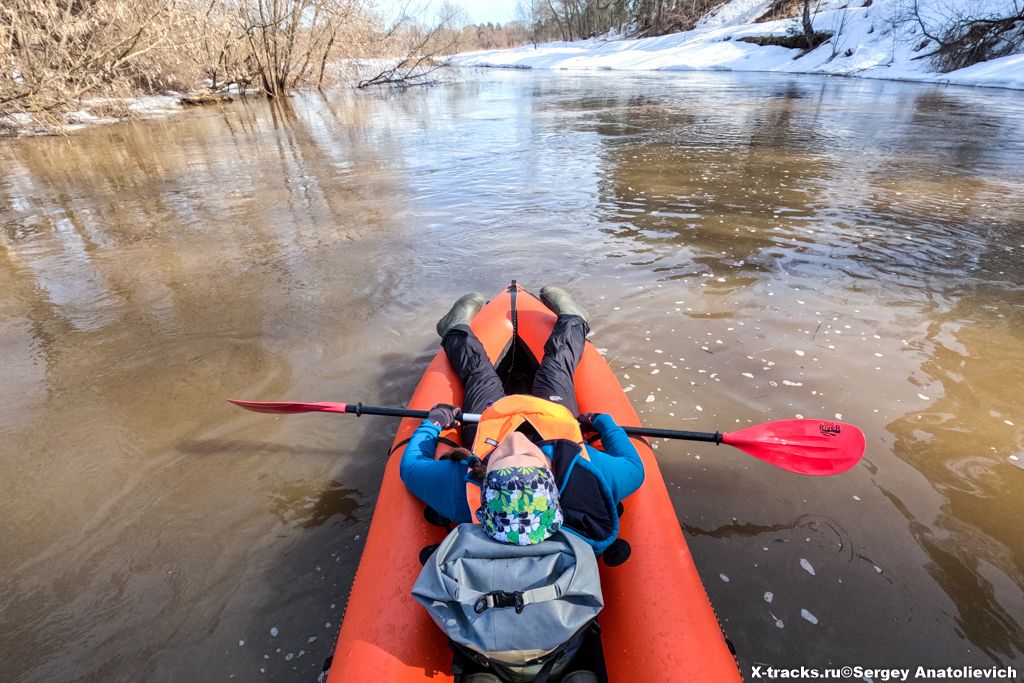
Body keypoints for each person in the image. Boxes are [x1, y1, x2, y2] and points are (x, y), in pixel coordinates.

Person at [400, 287, 644, 555]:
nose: (517, 440)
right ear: (552, 476)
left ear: (485, 481)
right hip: (552, 418)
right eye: (529, 453)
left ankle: (454, 330)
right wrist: (602, 421)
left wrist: (433, 423)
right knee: (557, 367)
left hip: (491, 421)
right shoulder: (588, 474)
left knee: (479, 375)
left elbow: (411, 467)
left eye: (502, 455)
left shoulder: (461, 486)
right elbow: (634, 466)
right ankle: (574, 321)